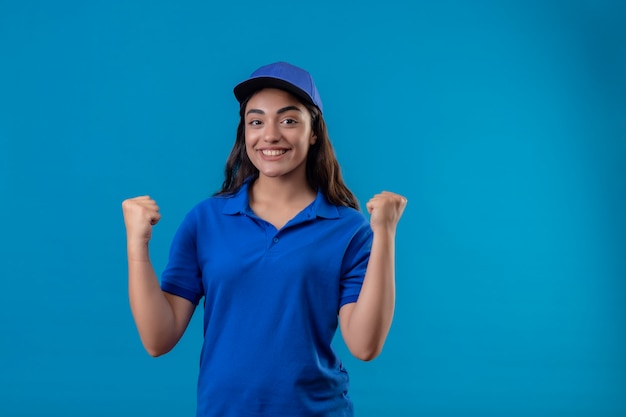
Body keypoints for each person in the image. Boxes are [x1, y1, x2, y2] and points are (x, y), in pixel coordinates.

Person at [122, 61, 407, 417]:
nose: (270, 135)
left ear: (314, 131)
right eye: (256, 121)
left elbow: (365, 346)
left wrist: (385, 234)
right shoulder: (206, 220)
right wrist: (137, 246)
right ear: (244, 132)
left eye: (288, 120)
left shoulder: (348, 229)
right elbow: (157, 339)